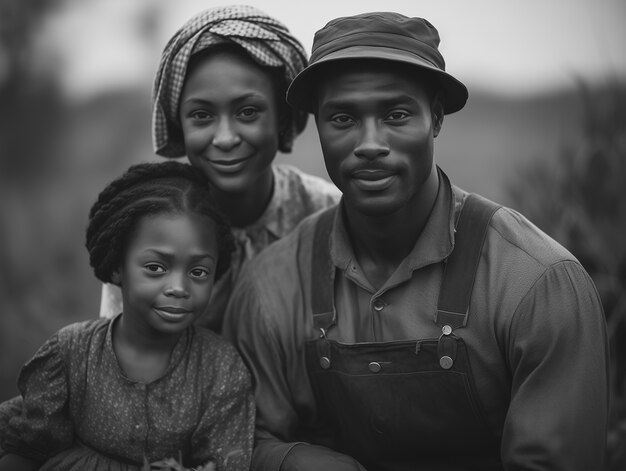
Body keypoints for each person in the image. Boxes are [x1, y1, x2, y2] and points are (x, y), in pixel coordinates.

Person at [222, 11, 610, 471]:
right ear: (318, 126)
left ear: (437, 119)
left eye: (396, 114)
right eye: (343, 117)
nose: (369, 143)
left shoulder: (540, 284)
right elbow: (237, 441)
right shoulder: (270, 288)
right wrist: (290, 460)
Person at [99, 4, 340, 332]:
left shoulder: (327, 213)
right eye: (202, 115)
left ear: (282, 118)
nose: (225, 138)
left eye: (248, 112)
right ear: (178, 124)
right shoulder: (146, 227)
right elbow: (121, 357)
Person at [0, 161, 254, 471]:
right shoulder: (71, 353)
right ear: (118, 267)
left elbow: (227, 462)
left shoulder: (220, 369)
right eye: (155, 268)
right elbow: (26, 450)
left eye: (198, 271)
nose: (178, 288)